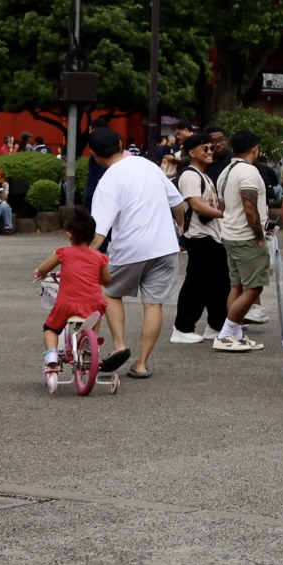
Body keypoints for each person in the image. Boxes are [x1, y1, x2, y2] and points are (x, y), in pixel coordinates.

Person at [86, 126, 182, 380]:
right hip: (165, 246)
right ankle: (141, 364)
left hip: (130, 248)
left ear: (93, 154)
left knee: (109, 291)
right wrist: (181, 228)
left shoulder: (106, 181)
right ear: (120, 143)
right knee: (153, 304)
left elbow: (98, 233)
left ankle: (119, 344)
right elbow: (178, 202)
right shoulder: (148, 165)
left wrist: (81, 257)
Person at [35, 211, 126, 385]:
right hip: (93, 304)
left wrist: (39, 273)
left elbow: (43, 269)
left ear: (69, 234)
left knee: (51, 327)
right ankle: (90, 343)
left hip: (66, 305)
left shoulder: (63, 253)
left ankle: (52, 355)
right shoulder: (100, 257)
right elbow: (107, 280)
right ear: (92, 236)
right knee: (98, 312)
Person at [212, 132, 271, 352]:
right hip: (246, 236)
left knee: (237, 285)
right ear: (254, 148)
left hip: (229, 234)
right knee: (254, 288)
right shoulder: (248, 171)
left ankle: (235, 333)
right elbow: (250, 208)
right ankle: (226, 333)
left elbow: (223, 207)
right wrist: (259, 236)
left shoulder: (225, 171)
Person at [168, 134, 229, 347]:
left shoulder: (204, 175)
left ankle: (216, 325)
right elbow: (195, 204)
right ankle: (183, 327)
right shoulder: (190, 176)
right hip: (200, 236)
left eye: (212, 148)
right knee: (197, 284)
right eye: (205, 148)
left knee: (219, 284)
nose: (210, 151)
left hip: (212, 236)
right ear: (192, 152)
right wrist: (225, 215)